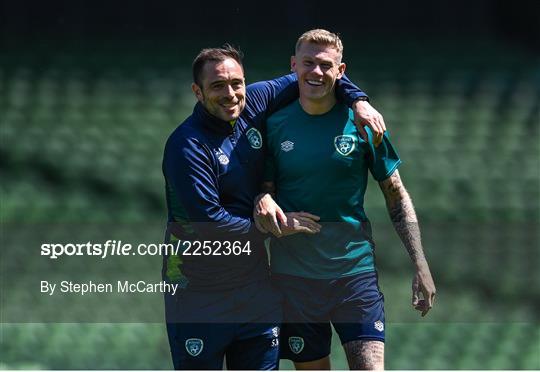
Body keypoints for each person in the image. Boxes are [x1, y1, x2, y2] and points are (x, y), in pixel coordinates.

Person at [162, 44, 385, 370]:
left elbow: (311, 75)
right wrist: (277, 227)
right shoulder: (187, 146)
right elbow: (209, 224)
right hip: (198, 290)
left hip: (255, 288)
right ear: (197, 92)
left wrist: (358, 100)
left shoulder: (254, 101)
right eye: (217, 86)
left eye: (236, 83)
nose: (230, 93)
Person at [255, 29, 436, 370]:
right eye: (308, 63)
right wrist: (267, 205)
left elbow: (396, 195)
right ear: (294, 65)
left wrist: (421, 263)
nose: (316, 72)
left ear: (341, 71)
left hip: (354, 276)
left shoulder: (366, 124)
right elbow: (264, 193)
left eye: (326, 65)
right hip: (295, 281)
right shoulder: (275, 124)